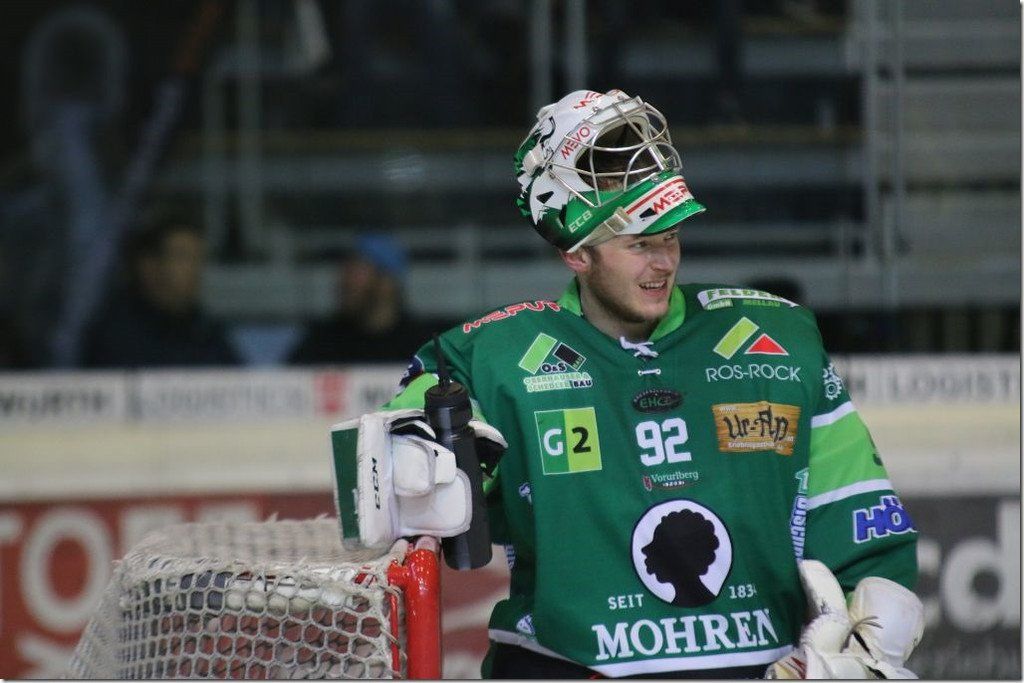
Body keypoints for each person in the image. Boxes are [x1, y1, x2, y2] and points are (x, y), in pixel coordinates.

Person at [336, 89, 922, 678]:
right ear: (576, 253)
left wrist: (867, 644)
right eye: (640, 243)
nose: (664, 262)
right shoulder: (487, 360)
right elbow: (372, 487)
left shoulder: (779, 340)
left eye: (671, 235)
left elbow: (864, 528)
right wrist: (416, 464)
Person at [81, 210, 239, 368]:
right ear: (148, 265)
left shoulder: (204, 329)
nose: (194, 270)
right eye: (183, 257)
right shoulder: (117, 333)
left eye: (198, 258)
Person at [289, 233, 431, 365]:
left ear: (386, 283)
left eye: (356, 271)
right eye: (345, 270)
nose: (344, 281)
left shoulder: (421, 349)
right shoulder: (322, 343)